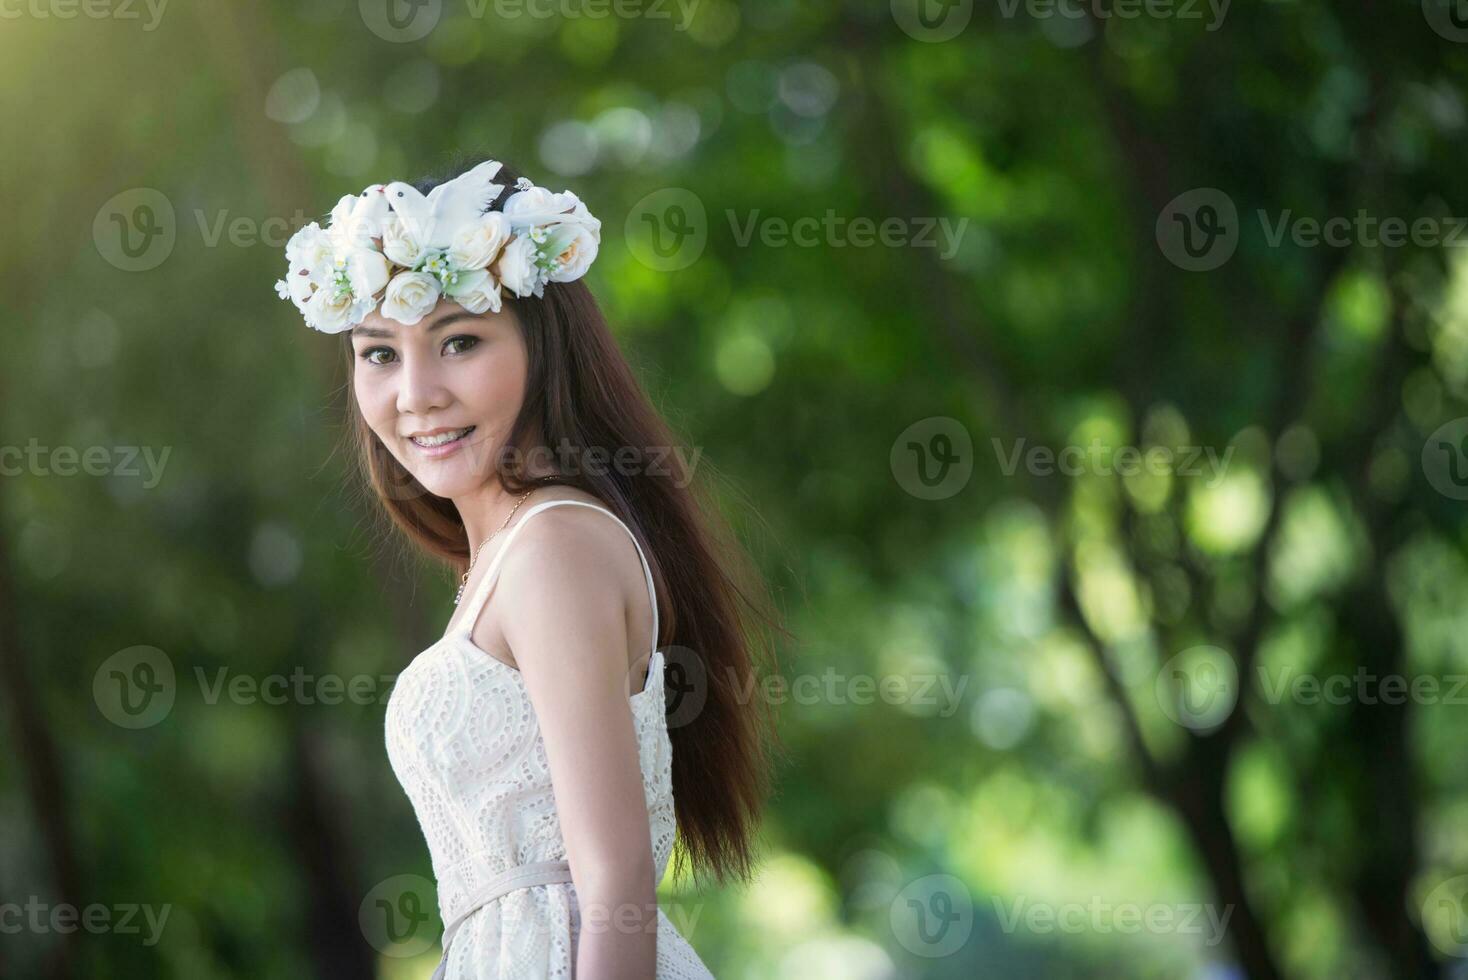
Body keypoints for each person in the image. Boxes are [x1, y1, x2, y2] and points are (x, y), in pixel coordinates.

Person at [277, 154, 781, 978]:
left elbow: (616, 883)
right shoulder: (509, 557)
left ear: (544, 347)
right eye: (379, 354)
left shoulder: (554, 545)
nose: (416, 393)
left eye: (460, 341)